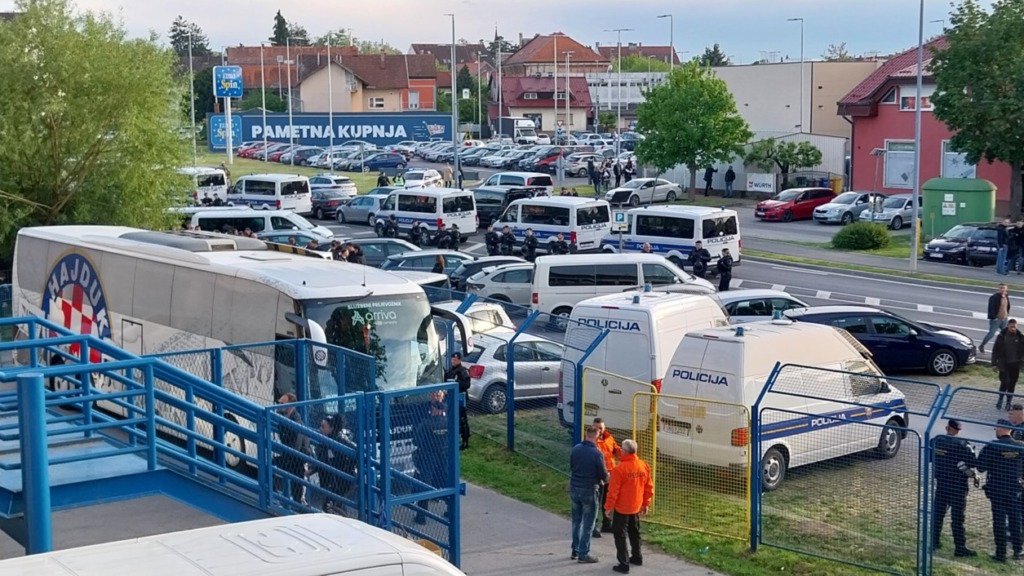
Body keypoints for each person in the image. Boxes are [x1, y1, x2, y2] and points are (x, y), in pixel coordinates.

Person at [976, 419, 1023, 563]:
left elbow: (980, 467)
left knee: (999, 520)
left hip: (997, 488)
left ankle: (1000, 552)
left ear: (1002, 428)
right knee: (1015, 519)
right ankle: (1018, 549)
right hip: (1015, 488)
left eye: (996, 428)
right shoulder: (1021, 446)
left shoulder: (992, 446)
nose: (995, 430)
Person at [604, 439, 653, 574]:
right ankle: (637, 556)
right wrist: (645, 503)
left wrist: (608, 507)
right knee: (635, 532)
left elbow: (613, 491)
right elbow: (649, 487)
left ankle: (623, 563)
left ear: (624, 451)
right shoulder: (643, 465)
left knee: (619, 534)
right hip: (636, 506)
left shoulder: (619, 469)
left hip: (622, 508)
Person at [932, 419, 978, 557]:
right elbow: (973, 462)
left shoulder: (936, 440)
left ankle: (934, 542)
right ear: (958, 430)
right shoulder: (963, 444)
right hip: (958, 485)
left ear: (947, 427)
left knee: (938, 514)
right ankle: (960, 547)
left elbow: (930, 457)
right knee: (958, 518)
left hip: (941, 483)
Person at [569, 425, 608, 564]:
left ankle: (575, 549)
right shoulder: (597, 453)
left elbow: (572, 466)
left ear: (586, 435)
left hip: (574, 488)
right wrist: (606, 478)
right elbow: (603, 474)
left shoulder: (576, 449)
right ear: (597, 436)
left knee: (576, 521)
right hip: (589, 489)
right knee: (588, 524)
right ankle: (583, 553)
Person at [413, 390, 452, 524]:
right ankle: (451, 510)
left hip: (427, 455)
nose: (437, 396)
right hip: (443, 454)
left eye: (439, 394)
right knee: (445, 481)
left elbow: (417, 440)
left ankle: (421, 515)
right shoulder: (448, 421)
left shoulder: (426, 423)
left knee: (424, 482)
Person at [316, 413, 357, 513]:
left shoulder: (340, 440)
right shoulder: (325, 441)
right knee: (334, 504)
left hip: (345, 479)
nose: (319, 429)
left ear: (331, 428)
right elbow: (323, 460)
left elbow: (354, 449)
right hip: (335, 480)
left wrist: (351, 467)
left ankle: (346, 522)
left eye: (323, 426)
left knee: (330, 505)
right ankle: (344, 519)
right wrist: (311, 471)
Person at [273, 392, 311, 503]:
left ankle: (299, 507)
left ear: (290, 406)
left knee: (297, 494)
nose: (278, 405)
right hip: (289, 456)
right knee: (269, 465)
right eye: (278, 402)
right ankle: (277, 496)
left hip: (298, 460)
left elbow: (297, 446)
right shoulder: (282, 416)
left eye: (281, 403)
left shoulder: (296, 421)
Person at [593, 418, 620, 535]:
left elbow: (615, 450)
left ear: (604, 428)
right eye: (596, 428)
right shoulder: (591, 440)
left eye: (601, 428)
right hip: (598, 475)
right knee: (595, 501)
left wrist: (626, 452)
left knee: (607, 500)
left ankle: (607, 524)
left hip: (610, 474)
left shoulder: (609, 438)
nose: (599, 430)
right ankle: (592, 526)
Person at [992, 319, 1024, 410]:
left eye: (1014, 327)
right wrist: (994, 363)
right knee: (1004, 382)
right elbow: (995, 350)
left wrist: (1021, 362)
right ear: (1008, 326)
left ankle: (1008, 402)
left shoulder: (1020, 337)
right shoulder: (1002, 336)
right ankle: (1000, 400)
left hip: (1015, 365)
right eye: (1011, 327)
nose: (1013, 328)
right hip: (1004, 364)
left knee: (1012, 384)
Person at [446, 352, 471, 449]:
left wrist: (456, 383)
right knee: (451, 419)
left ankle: (465, 440)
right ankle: (454, 439)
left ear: (460, 360)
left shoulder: (463, 371)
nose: (453, 361)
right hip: (451, 398)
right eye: (452, 359)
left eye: (455, 359)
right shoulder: (449, 371)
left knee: (462, 420)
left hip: (460, 398)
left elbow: (467, 384)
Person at [980, 283, 1011, 354]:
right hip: (996, 320)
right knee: (991, 334)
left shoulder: (1006, 296)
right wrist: (994, 317)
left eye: (1004, 288)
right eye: (1001, 288)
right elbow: (991, 308)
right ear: (998, 289)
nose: (1002, 289)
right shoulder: (994, 297)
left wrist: (1007, 314)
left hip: (1004, 319)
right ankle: (982, 345)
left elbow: (1007, 306)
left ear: (1006, 288)